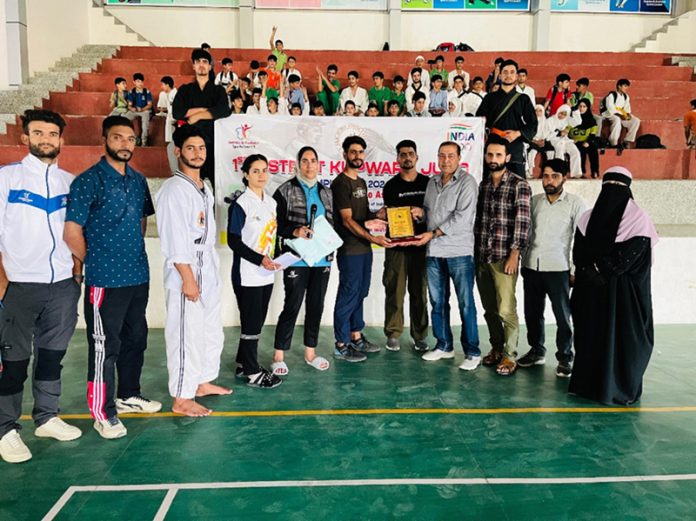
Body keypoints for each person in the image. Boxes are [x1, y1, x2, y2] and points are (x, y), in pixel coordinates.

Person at [64, 116, 162, 440]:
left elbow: (142, 222)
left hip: (137, 275)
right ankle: (101, 412)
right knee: (105, 346)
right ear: (105, 139)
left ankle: (129, 394)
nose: (125, 144)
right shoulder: (87, 182)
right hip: (105, 280)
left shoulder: (137, 180)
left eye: (130, 139)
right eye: (118, 138)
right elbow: (71, 232)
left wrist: (130, 253)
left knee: (137, 338)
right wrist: (93, 259)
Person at [0, 110, 82, 464]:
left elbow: (77, 232)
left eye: (52, 134)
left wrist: (76, 273)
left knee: (52, 356)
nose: (46, 139)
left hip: (62, 287)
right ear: (26, 138)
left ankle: (46, 417)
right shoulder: (6, 180)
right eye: (39, 133)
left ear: (62, 140)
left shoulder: (70, 182)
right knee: (13, 361)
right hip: (18, 287)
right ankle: (5, 428)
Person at [155, 125, 231, 418]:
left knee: (211, 328)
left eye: (201, 148)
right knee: (185, 332)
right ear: (178, 152)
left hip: (206, 261)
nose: (197, 153)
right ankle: (182, 397)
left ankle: (201, 381)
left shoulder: (204, 186)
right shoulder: (174, 189)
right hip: (186, 263)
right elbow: (174, 239)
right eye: (190, 148)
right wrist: (187, 278)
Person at [569, 167, 658, 405]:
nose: (612, 194)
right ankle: (588, 386)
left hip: (624, 298)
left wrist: (600, 271)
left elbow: (631, 256)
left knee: (622, 341)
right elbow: (579, 253)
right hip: (592, 294)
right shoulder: (587, 218)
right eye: (608, 187)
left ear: (628, 190)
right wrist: (592, 272)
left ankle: (618, 389)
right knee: (590, 339)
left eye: (618, 188)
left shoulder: (639, 220)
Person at [414, 142, 480, 369]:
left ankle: (472, 352)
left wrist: (431, 234)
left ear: (459, 158)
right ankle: (444, 346)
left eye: (450, 156)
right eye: (442, 156)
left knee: (466, 304)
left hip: (458, 253)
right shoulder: (432, 182)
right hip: (433, 252)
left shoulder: (467, 182)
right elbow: (429, 212)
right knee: (438, 302)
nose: (446, 160)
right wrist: (419, 213)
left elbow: (461, 218)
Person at [518, 159, 586, 378]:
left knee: (562, 316)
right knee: (532, 313)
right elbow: (525, 232)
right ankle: (537, 351)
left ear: (565, 177)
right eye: (546, 176)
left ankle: (565, 358)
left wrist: (575, 269)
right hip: (532, 266)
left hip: (559, 268)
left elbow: (581, 239)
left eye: (555, 176)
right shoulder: (533, 201)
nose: (549, 180)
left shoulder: (575, 203)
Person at [271, 147, 333, 375]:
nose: (309, 165)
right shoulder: (284, 191)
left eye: (313, 161)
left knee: (316, 306)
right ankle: (278, 354)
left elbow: (332, 224)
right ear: (297, 164)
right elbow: (275, 224)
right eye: (305, 161)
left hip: (322, 260)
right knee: (292, 305)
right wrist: (295, 230)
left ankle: (310, 352)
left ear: (319, 165)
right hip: (296, 259)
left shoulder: (326, 192)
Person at [475, 137, 531, 376]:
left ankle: (510, 356)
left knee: (506, 310)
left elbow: (522, 223)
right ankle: (497, 348)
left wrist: (514, 255)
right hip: (482, 257)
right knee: (489, 309)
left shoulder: (520, 185)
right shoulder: (484, 186)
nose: (493, 159)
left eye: (498, 155)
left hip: (503, 258)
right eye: (490, 155)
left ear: (507, 158)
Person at [331, 136, 391, 362]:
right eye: (353, 152)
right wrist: (373, 238)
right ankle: (340, 343)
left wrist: (378, 216)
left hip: (365, 249)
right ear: (345, 154)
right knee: (348, 294)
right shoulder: (341, 183)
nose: (357, 156)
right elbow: (347, 220)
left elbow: (363, 216)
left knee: (361, 292)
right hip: (350, 250)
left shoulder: (362, 183)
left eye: (361, 152)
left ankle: (356, 336)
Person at [226, 154, 282, 389]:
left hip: (266, 273)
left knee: (256, 321)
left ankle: (242, 362)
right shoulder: (241, 204)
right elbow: (233, 241)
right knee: (250, 323)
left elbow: (272, 238)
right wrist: (260, 260)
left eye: (264, 170)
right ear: (246, 175)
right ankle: (252, 372)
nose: (261, 175)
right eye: (256, 171)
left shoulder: (271, 203)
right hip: (246, 273)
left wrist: (277, 257)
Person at [381, 140, 429, 352]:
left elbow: (434, 214)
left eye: (410, 153)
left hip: (421, 246)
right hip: (396, 247)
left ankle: (420, 335)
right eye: (402, 154)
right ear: (398, 159)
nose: (407, 157)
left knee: (420, 292)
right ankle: (393, 333)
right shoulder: (391, 186)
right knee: (395, 290)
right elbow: (391, 215)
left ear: (417, 157)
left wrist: (422, 213)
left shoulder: (429, 184)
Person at [172, 48, 231, 189]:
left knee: (217, 187)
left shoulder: (218, 91)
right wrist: (206, 109)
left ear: (210, 66)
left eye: (205, 62)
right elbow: (177, 112)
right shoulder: (185, 90)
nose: (201, 65)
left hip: (213, 144)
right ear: (193, 66)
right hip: (191, 145)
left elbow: (224, 110)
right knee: (189, 185)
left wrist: (196, 115)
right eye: (198, 62)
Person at [476, 60, 537, 178]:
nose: (508, 75)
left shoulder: (523, 99)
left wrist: (518, 133)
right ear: (500, 75)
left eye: (512, 72)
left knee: (517, 182)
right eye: (505, 72)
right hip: (493, 145)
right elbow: (479, 121)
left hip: (514, 145)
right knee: (490, 181)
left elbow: (533, 124)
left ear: (516, 76)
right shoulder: (489, 98)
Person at [545, 104, 582, 179]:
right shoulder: (550, 120)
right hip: (554, 140)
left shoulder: (567, 119)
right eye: (561, 113)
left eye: (565, 114)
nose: (562, 116)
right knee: (560, 151)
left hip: (565, 140)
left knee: (575, 151)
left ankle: (576, 173)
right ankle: (560, 172)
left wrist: (575, 111)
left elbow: (578, 122)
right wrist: (559, 133)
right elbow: (546, 135)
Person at [602, 79, 640, 149]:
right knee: (617, 120)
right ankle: (613, 142)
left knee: (636, 120)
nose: (626, 88)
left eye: (627, 86)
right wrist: (620, 115)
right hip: (609, 114)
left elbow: (627, 109)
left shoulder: (626, 97)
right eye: (625, 86)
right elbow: (610, 108)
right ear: (619, 86)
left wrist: (627, 115)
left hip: (621, 114)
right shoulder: (612, 95)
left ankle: (627, 140)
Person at [569, 99, 600, 178]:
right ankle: (581, 172)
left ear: (587, 108)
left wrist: (588, 142)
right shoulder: (572, 119)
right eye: (580, 106)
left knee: (593, 148)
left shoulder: (591, 120)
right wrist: (572, 140)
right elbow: (567, 131)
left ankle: (595, 172)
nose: (581, 108)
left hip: (587, 141)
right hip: (574, 142)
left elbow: (593, 134)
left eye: (584, 107)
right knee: (580, 149)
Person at [156, 76, 178, 173]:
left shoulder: (175, 95)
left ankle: (176, 170)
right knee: (170, 143)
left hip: (175, 121)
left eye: (163, 85)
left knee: (173, 144)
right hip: (170, 119)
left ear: (167, 85)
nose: (162, 87)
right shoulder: (167, 94)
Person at [526, 104, 553, 179]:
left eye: (540, 110)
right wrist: (535, 141)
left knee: (551, 152)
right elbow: (528, 133)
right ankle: (530, 172)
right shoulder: (530, 121)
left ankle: (549, 172)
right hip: (533, 141)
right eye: (536, 110)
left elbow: (548, 132)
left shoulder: (546, 121)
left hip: (543, 141)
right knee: (532, 152)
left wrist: (543, 140)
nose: (538, 112)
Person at [126, 73, 152, 146]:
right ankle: (130, 138)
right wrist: (132, 108)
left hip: (144, 111)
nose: (140, 83)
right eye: (138, 81)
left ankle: (144, 140)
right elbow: (129, 105)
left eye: (141, 81)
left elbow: (150, 105)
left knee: (145, 121)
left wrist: (142, 109)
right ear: (134, 82)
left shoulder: (146, 92)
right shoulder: (131, 92)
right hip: (134, 111)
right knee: (124, 118)